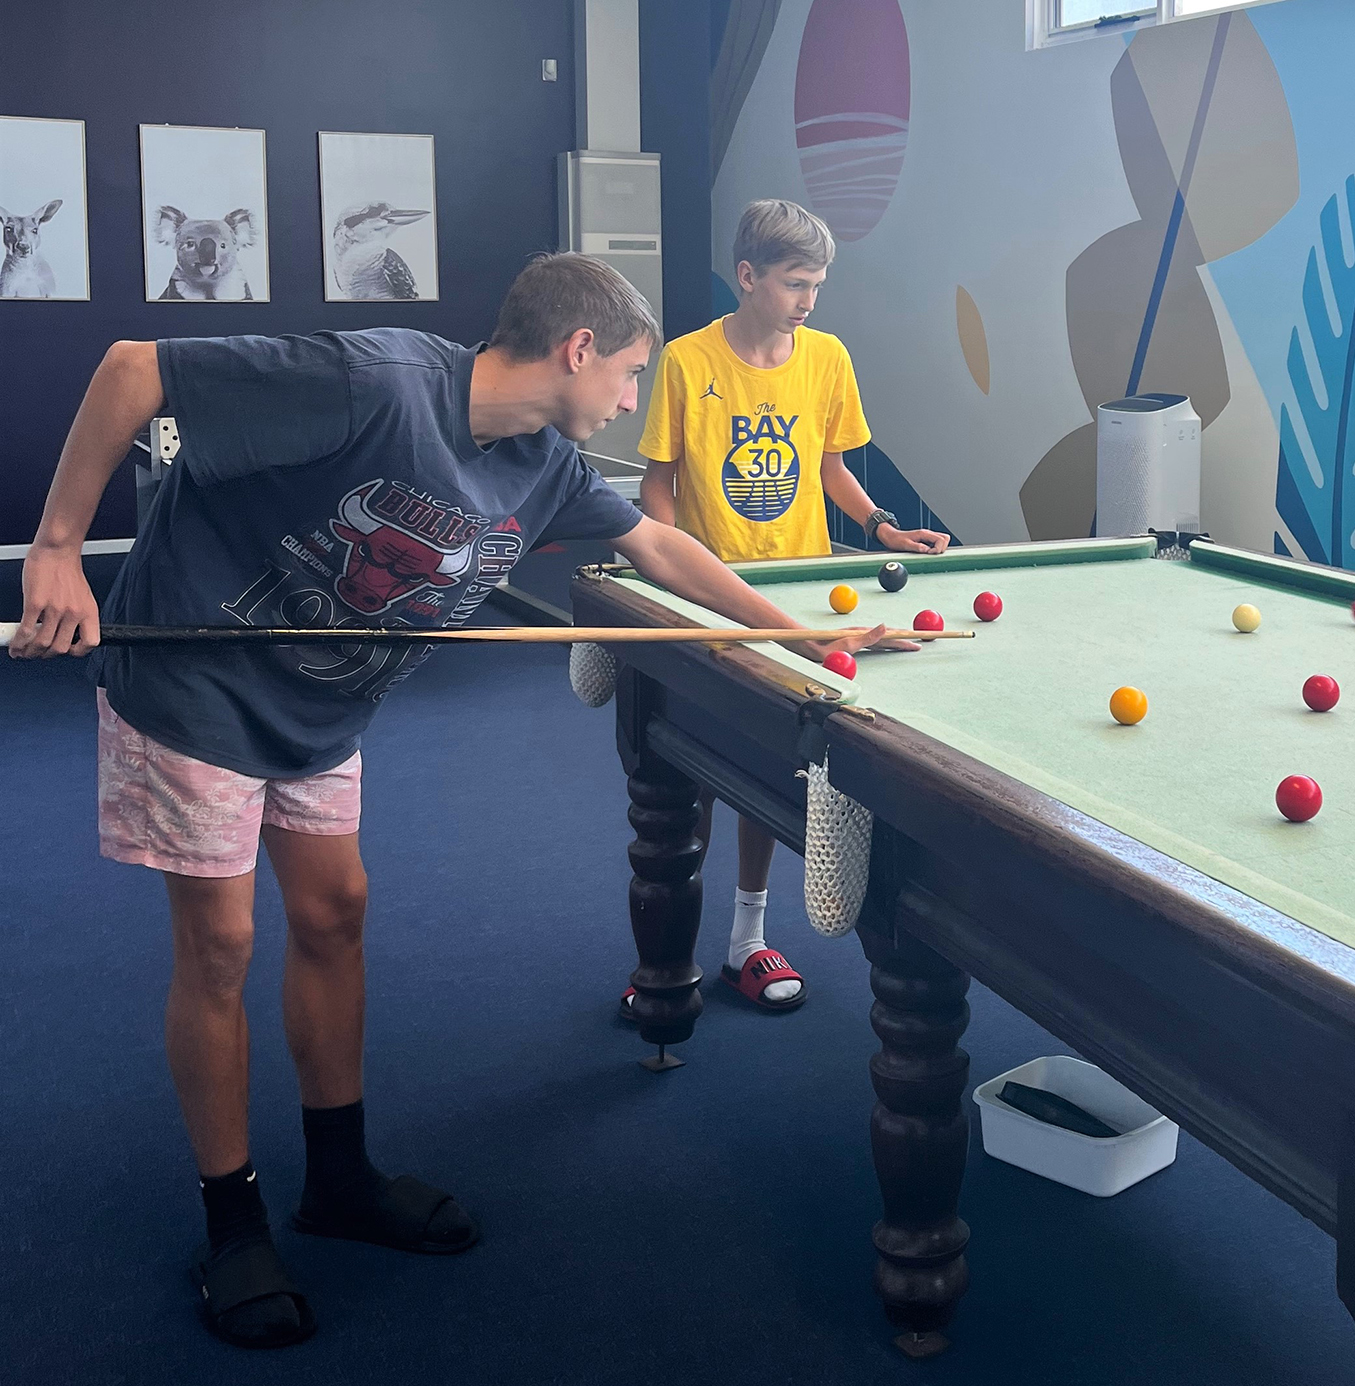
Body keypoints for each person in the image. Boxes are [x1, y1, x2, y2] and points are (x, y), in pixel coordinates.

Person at [7, 252, 900, 1349]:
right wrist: (55, 551)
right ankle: (230, 1219)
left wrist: (793, 632)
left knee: (335, 916)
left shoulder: (544, 468)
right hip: (196, 684)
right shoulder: (374, 382)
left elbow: (658, 542)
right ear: (577, 350)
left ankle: (338, 1178)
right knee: (222, 943)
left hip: (320, 704)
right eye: (624, 375)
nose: (630, 400)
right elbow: (134, 368)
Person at [630, 199, 948, 1016]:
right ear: (747, 275)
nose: (809, 299)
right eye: (795, 283)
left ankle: (745, 941)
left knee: (770, 769)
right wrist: (671, 574)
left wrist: (881, 527)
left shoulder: (827, 357)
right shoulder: (687, 360)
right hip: (708, 595)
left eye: (817, 284)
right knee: (690, 770)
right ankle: (669, 947)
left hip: (799, 595)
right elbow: (657, 485)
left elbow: (834, 468)